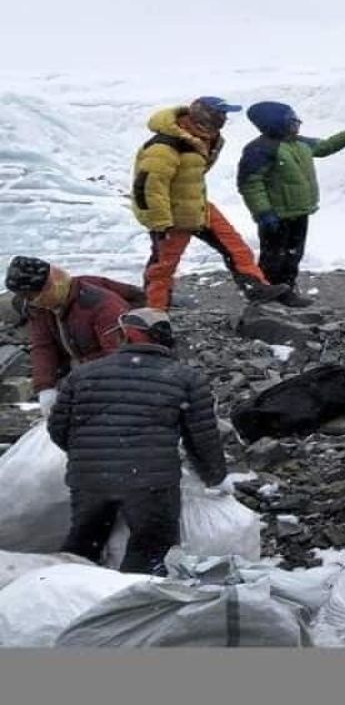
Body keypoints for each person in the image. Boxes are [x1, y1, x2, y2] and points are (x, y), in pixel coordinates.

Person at [46, 308, 228, 575]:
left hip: (90, 479)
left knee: (82, 549)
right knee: (151, 553)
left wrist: (91, 454)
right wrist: (216, 477)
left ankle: (68, 602)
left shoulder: (83, 375)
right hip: (151, 484)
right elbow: (201, 438)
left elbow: (58, 428)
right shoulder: (187, 378)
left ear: (130, 335)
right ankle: (133, 605)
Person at [132, 96, 289, 310]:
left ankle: (255, 288)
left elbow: (192, 173)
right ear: (205, 115)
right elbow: (147, 186)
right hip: (173, 215)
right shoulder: (165, 146)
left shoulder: (203, 139)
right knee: (163, 265)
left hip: (198, 205)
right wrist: (159, 222)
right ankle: (154, 312)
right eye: (220, 113)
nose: (224, 118)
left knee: (235, 246)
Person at [236, 101, 345, 308]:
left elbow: (326, 146)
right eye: (292, 121)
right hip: (276, 215)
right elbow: (250, 183)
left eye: (296, 120)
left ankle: (287, 290)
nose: (297, 124)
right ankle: (265, 293)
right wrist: (264, 213)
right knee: (273, 257)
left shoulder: (299, 143)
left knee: (293, 254)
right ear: (275, 124)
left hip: (299, 210)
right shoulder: (260, 149)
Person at [4, 256, 143, 409]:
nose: (31, 302)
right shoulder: (40, 307)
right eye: (25, 298)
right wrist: (45, 387)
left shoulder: (102, 305)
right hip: (79, 368)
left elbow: (119, 356)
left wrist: (83, 381)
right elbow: (43, 346)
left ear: (48, 286)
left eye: (31, 296)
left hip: (117, 373)